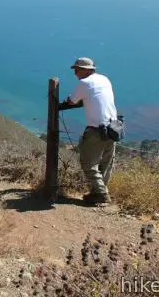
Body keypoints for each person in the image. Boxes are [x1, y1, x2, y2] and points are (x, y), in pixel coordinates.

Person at [65, 57, 118, 206]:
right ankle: (97, 193)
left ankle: (102, 194)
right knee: (106, 162)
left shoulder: (84, 83)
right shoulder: (104, 79)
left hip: (97, 129)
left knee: (88, 163)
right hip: (114, 127)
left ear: (86, 70)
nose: (75, 73)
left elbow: (72, 101)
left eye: (77, 69)